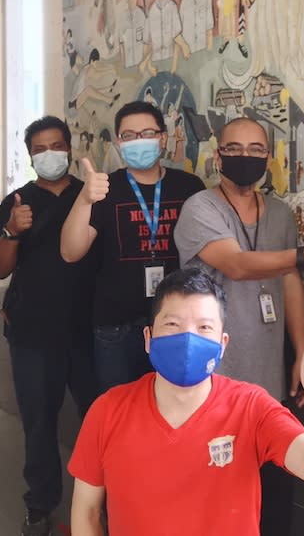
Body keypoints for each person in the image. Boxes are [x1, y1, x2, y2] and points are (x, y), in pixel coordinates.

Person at [67, 268, 304, 535]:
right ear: (148, 338)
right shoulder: (108, 411)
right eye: (173, 324)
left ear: (223, 344)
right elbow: (87, 512)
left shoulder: (251, 407)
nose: (188, 338)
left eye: (204, 327)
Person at [174, 117, 304, 535]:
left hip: (268, 379)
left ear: (268, 158)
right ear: (217, 157)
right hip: (212, 381)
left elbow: (289, 280)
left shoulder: (281, 215)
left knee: (271, 495)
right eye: (234, 149)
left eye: (255, 150)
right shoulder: (201, 208)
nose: (244, 157)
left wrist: (300, 355)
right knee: (217, 495)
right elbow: (236, 263)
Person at [0, 116, 99, 536]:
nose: (48, 154)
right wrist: (12, 231)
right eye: (39, 148)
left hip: (89, 331)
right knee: (38, 422)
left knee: (99, 419)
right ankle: (40, 503)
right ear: (30, 154)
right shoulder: (16, 201)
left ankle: (101, 500)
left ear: (69, 148)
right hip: (33, 333)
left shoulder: (90, 195)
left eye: (56, 145)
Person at [60, 101, 206, 394]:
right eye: (129, 135)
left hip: (175, 323)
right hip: (116, 325)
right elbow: (70, 251)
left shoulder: (189, 187)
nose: (138, 141)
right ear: (118, 142)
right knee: (120, 411)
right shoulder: (105, 188)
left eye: (147, 133)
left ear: (163, 138)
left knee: (173, 404)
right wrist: (85, 200)